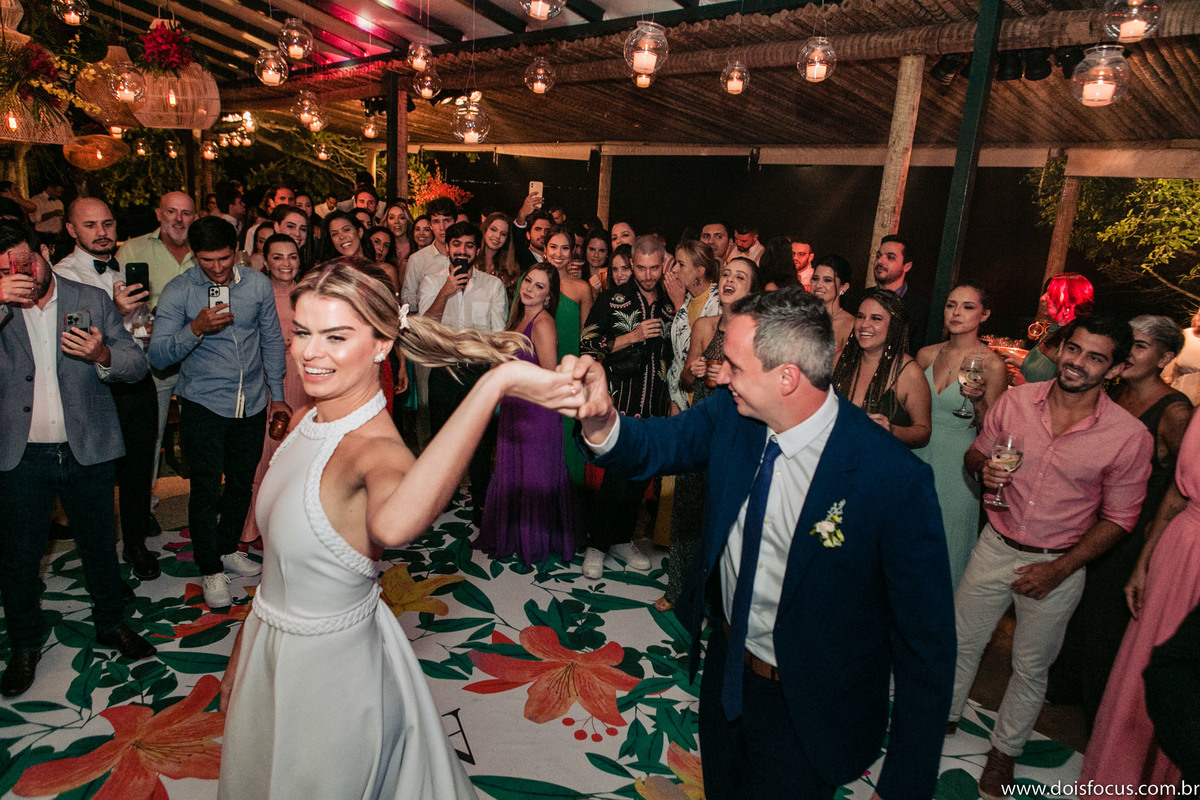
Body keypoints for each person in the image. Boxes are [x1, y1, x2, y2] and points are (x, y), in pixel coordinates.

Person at [566, 286, 954, 800]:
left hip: (810, 705)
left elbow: (925, 648)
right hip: (726, 673)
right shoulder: (732, 415)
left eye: (734, 364)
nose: (719, 374)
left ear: (787, 377)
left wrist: (905, 783)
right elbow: (662, 442)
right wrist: (601, 421)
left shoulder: (892, 479)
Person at [218, 260, 583, 799]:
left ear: (384, 345)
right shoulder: (304, 420)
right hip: (271, 652)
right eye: (302, 333)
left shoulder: (378, 453)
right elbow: (276, 571)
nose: (310, 353)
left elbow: (397, 523)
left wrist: (495, 384)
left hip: (332, 675)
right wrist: (242, 658)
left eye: (336, 336)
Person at [949, 315, 1154, 799]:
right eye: (1074, 350)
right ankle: (942, 717)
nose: (1078, 363)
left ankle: (1004, 754)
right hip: (995, 545)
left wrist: (1058, 570)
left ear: (1116, 369)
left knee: (1030, 667)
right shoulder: (1016, 403)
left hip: (1059, 563)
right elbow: (975, 454)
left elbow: (1120, 519)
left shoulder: (1128, 437)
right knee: (959, 643)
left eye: (1095, 357)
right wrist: (984, 472)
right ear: (1061, 348)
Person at [0, 220, 157, 698]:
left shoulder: (88, 299)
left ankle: (111, 623)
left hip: (86, 446)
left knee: (98, 547)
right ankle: (26, 642)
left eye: (25, 262)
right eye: (7, 269)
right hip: (20, 455)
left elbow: (135, 363)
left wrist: (102, 352)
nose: (20, 274)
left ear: (45, 250)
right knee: (20, 558)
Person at [1048, 314, 1191, 724]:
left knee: (1107, 626)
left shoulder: (1174, 409)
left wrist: (1154, 540)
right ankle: (1064, 700)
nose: (1129, 354)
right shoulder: (1113, 393)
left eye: (1141, 347)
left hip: (1133, 530)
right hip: (1095, 519)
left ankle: (1099, 722)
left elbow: (1185, 482)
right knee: (1080, 613)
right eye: (1128, 345)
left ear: (1165, 357)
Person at [148, 217, 289, 610]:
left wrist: (277, 395)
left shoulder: (257, 284)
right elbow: (158, 356)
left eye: (224, 258)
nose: (217, 267)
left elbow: (272, 341)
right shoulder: (179, 292)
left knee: (242, 483)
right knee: (206, 488)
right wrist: (195, 329)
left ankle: (228, 547)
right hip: (203, 403)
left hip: (254, 402)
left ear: (237, 252)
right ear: (195, 256)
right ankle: (210, 567)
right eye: (207, 260)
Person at [1079, 410, 1200, 796]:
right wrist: (1144, 562)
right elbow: (1175, 497)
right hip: (1178, 551)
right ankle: (1117, 781)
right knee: (1149, 668)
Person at [54, 197, 163, 580]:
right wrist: (115, 313)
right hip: (95, 389)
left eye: (108, 223)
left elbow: (135, 332)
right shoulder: (63, 276)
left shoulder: (127, 268)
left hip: (136, 380)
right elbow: (73, 342)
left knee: (137, 471)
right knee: (98, 479)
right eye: (90, 226)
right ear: (71, 230)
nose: (102, 233)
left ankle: (136, 545)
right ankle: (102, 566)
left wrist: (143, 328)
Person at [656, 256, 762, 613]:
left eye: (740, 277)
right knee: (687, 506)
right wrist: (696, 370)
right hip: (702, 421)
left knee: (723, 513)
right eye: (727, 274)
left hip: (738, 428)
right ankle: (676, 590)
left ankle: (717, 600)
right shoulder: (704, 324)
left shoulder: (760, 332)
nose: (730, 280)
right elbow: (684, 378)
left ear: (752, 289)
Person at [580, 235, 675, 578]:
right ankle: (596, 545)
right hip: (620, 403)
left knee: (639, 478)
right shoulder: (613, 299)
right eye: (641, 267)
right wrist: (632, 336)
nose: (648, 275)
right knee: (615, 480)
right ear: (631, 264)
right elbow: (587, 345)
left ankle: (621, 540)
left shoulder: (669, 303)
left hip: (655, 405)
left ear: (663, 263)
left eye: (654, 268)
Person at [475, 265, 582, 564]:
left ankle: (534, 541)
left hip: (536, 415)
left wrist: (513, 381)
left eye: (539, 287)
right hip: (515, 409)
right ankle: (514, 535)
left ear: (549, 297)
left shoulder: (543, 323)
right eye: (528, 281)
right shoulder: (518, 317)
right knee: (515, 475)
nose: (529, 289)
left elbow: (550, 378)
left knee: (533, 477)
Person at [913, 282, 1008, 589]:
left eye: (968, 307)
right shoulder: (926, 355)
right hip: (918, 454)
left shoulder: (992, 365)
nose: (956, 313)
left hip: (958, 463)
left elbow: (993, 435)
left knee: (947, 546)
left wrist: (979, 400)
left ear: (984, 315)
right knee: (908, 540)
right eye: (951, 305)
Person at [418, 221, 508, 525]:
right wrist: (445, 291)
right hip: (444, 370)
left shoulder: (492, 285)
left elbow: (499, 336)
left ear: (477, 249)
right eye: (457, 245)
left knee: (481, 442)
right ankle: (440, 498)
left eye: (470, 245)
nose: (463, 251)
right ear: (448, 247)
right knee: (442, 438)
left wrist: (493, 378)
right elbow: (425, 328)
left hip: (478, 374)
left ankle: (482, 502)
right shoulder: (432, 281)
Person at [116, 190, 198, 504]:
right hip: (152, 357)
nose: (179, 219)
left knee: (202, 434)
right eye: (172, 212)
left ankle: (201, 498)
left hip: (198, 356)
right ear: (159, 214)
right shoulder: (134, 249)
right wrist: (138, 326)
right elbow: (118, 304)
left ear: (195, 216)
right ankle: (143, 505)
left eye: (186, 213)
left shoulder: (204, 251)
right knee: (149, 435)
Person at [241, 235, 312, 546]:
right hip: (272, 380)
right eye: (278, 257)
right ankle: (255, 528)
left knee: (302, 453)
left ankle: (295, 524)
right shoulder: (256, 293)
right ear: (265, 261)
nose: (286, 263)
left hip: (307, 380)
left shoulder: (310, 293)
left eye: (292, 256)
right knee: (267, 453)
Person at [832, 288, 932, 448]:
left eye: (876, 318)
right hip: (835, 458)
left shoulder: (909, 372)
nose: (864, 324)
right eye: (860, 317)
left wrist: (892, 430)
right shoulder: (839, 360)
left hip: (881, 465)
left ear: (894, 324)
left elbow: (924, 432)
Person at [666, 239, 720, 414]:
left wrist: (678, 306)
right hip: (681, 402)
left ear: (700, 270)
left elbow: (693, 355)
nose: (674, 269)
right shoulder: (688, 299)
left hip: (706, 404)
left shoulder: (718, 303)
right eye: (675, 262)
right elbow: (677, 359)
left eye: (681, 264)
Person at [1014, 272, 1094, 385]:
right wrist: (1015, 361)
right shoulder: (1055, 330)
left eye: (1051, 293)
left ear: (1070, 300)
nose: (1042, 298)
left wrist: (1024, 386)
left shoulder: (1075, 341)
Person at [872, 235, 929, 355]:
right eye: (878, 256)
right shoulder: (859, 298)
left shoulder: (919, 309)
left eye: (890, 257)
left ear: (907, 266)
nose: (880, 261)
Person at [401, 197, 456, 309]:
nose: (442, 227)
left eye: (446, 220)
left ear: (455, 221)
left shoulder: (466, 255)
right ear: (430, 225)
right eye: (436, 222)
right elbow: (407, 297)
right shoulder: (417, 259)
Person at [809, 254, 854, 353]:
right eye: (815, 278)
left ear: (843, 287)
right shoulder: (800, 316)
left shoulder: (849, 324)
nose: (818, 285)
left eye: (827, 280)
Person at [480, 211, 519, 299]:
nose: (497, 236)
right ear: (485, 229)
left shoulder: (511, 267)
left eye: (503, 234)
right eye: (493, 230)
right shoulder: (471, 260)